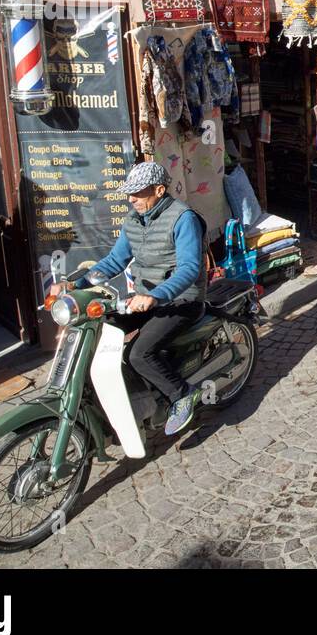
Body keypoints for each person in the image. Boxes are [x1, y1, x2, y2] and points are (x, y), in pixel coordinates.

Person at [56, 160, 207, 435]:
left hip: (182, 299)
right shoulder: (133, 221)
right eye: (129, 193)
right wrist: (75, 285)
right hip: (143, 297)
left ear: (159, 190)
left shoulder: (183, 218)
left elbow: (189, 268)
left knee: (139, 353)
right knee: (101, 328)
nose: (131, 198)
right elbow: (114, 261)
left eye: (138, 192)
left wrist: (156, 295)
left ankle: (182, 394)